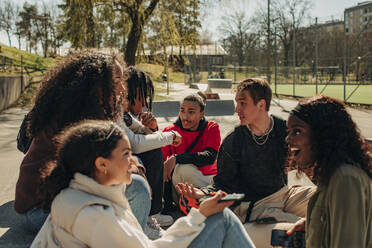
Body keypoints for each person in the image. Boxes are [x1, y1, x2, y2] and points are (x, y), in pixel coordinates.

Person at [31, 120, 256, 248]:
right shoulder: (95, 215)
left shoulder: (75, 195)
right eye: (127, 154)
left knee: (216, 218)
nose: (134, 161)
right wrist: (198, 216)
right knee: (221, 219)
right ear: (102, 164)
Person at [14, 51, 151, 234]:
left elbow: (116, 157)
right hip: (40, 211)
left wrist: (133, 166)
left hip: (65, 200)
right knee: (137, 188)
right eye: (116, 81)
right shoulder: (74, 120)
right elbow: (98, 172)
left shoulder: (93, 110)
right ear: (95, 84)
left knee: (134, 169)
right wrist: (136, 171)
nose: (122, 89)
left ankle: (125, 235)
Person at [178, 78, 315, 247]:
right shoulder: (234, 142)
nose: (236, 109)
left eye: (243, 103)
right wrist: (202, 194)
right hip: (255, 208)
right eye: (237, 103)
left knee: (330, 200)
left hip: (284, 195)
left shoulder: (283, 130)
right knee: (305, 232)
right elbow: (221, 184)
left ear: (261, 105)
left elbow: (310, 162)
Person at [285, 95, 372, 247]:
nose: (288, 139)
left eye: (297, 131)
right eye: (290, 131)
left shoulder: (345, 179)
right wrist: (311, 224)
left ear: (322, 135)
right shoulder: (333, 175)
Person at [122, 66, 181, 233]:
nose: (146, 103)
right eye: (144, 97)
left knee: (154, 152)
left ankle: (151, 213)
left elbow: (141, 132)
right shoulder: (115, 111)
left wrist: (152, 128)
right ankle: (144, 219)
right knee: (145, 156)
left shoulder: (126, 114)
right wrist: (171, 136)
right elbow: (135, 144)